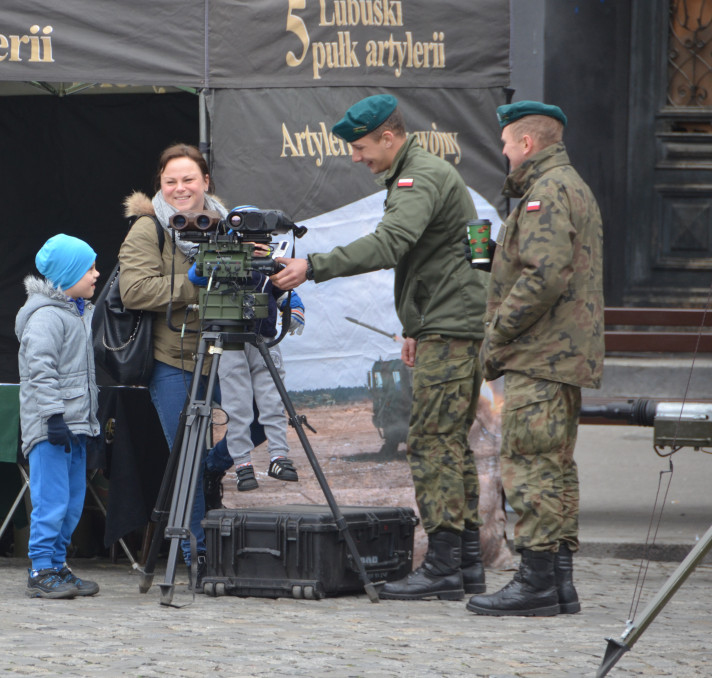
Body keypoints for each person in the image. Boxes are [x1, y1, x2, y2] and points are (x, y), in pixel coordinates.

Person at [272, 94, 488, 601]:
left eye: (362, 146)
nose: (355, 157)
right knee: (450, 445)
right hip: (448, 323)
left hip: (451, 327)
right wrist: (419, 325)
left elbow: (393, 243)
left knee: (433, 444)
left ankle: (442, 569)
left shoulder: (420, 177)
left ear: (389, 137)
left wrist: (313, 265)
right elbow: (459, 250)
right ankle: (466, 565)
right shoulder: (425, 172)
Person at [466, 101, 604, 617]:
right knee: (556, 465)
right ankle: (559, 583)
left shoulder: (545, 193)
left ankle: (537, 581)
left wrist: (498, 334)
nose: (503, 155)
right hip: (561, 353)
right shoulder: (570, 186)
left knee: (529, 465)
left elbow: (544, 277)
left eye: (505, 145)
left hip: (541, 353)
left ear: (527, 144)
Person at [118, 143, 234, 582]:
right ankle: (198, 556)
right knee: (184, 454)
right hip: (174, 359)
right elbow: (135, 291)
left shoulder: (231, 224)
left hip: (230, 356)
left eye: (189, 179)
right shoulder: (149, 229)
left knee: (258, 421)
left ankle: (210, 470)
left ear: (206, 181)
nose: (180, 188)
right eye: (171, 181)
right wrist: (194, 285)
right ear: (160, 187)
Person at [16, 233, 102, 599]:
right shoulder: (46, 318)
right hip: (52, 427)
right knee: (51, 500)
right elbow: (41, 370)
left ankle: (58, 563)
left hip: (76, 427)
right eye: (89, 268)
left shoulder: (78, 312)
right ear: (67, 276)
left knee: (72, 501)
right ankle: (40, 569)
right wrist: (53, 417)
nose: (97, 274)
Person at [188, 251, 306, 491]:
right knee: (237, 403)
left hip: (263, 338)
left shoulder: (268, 269)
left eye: (262, 238)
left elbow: (287, 295)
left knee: (272, 399)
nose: (258, 245)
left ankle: (279, 456)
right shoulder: (220, 262)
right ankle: (242, 463)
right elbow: (195, 275)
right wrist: (230, 258)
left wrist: (295, 312)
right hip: (229, 342)